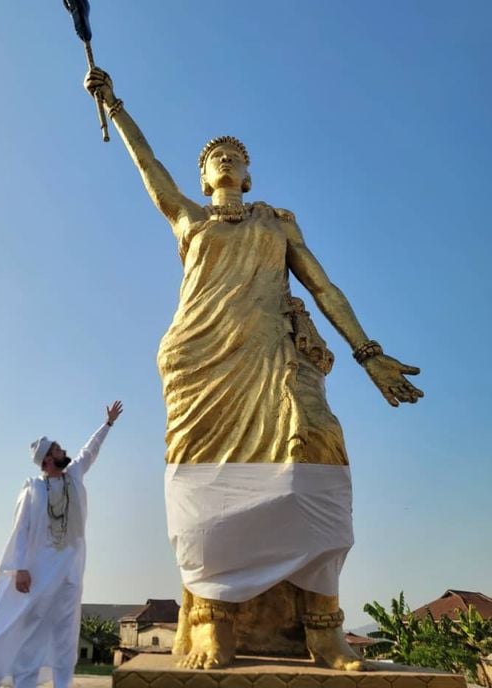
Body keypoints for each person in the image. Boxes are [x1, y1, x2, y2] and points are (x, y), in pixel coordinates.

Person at [83, 67, 423, 672]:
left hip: (271, 358)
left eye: (235, 155)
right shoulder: (189, 219)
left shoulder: (277, 222)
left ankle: (324, 630)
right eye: (215, 156)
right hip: (199, 364)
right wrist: (114, 104)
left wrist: (368, 353)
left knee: (318, 456)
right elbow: (147, 166)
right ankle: (214, 623)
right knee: (205, 488)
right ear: (204, 176)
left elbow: (324, 286)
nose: (225, 160)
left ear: (248, 172)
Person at [0, 400, 123, 688]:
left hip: (70, 570)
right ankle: (24, 682)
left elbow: (89, 451)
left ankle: (62, 683)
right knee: (34, 628)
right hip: (41, 570)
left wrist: (107, 424)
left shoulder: (74, 476)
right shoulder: (33, 489)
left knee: (65, 630)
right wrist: (20, 567)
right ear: (47, 459)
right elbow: (21, 529)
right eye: (57, 450)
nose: (63, 452)